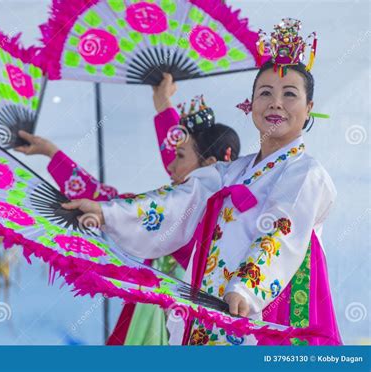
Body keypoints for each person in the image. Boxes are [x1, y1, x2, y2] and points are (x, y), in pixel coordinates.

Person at [62, 19, 342, 346]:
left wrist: (247, 288)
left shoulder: (306, 172)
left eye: (289, 94)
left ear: (309, 109)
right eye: (265, 92)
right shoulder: (228, 173)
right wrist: (105, 211)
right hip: (210, 306)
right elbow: (176, 200)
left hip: (265, 306)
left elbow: (282, 228)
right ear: (250, 105)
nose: (276, 102)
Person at [14, 74, 241, 345]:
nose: (170, 166)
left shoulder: (207, 203)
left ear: (211, 166)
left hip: (201, 319)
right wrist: (163, 104)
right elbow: (115, 199)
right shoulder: (188, 197)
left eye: (179, 157)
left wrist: (105, 212)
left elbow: (135, 201)